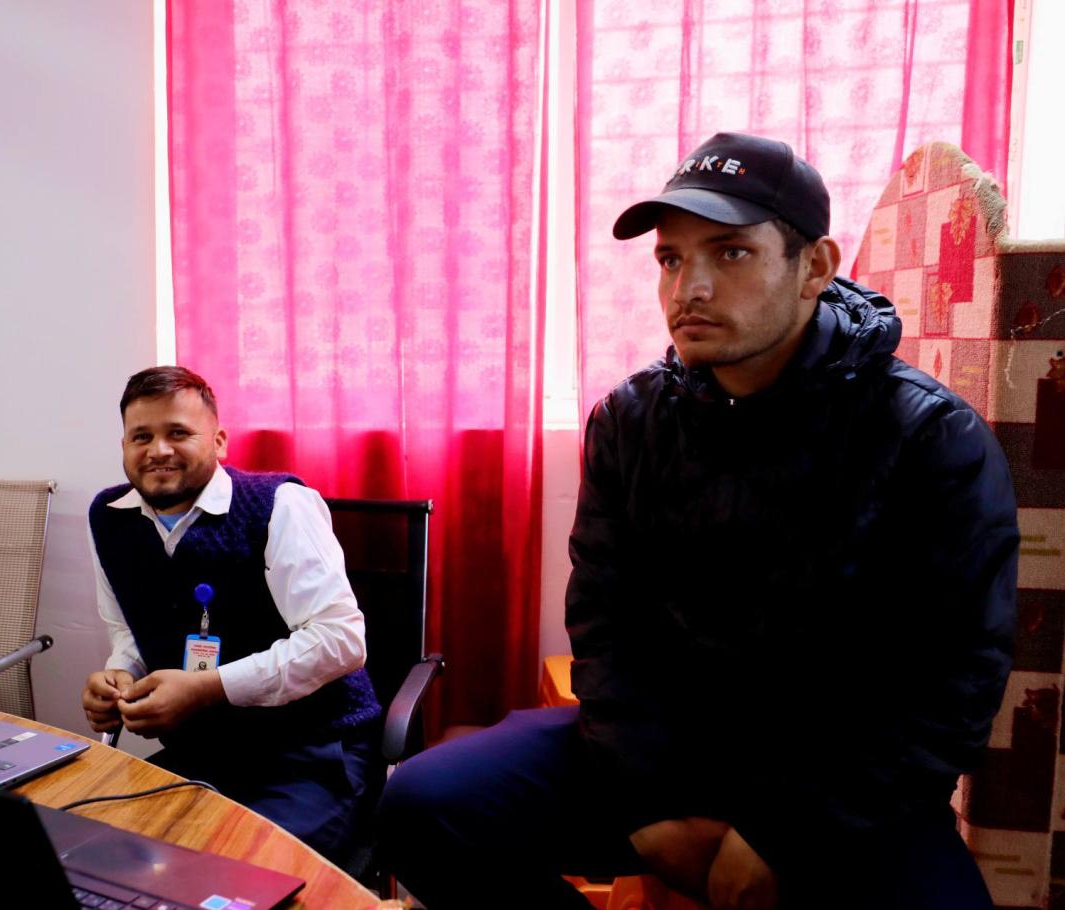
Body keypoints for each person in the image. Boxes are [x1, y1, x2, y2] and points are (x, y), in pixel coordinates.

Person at [377, 133, 1018, 909]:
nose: (691, 287)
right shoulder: (631, 419)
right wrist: (648, 805)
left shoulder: (927, 436)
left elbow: (950, 684)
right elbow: (606, 626)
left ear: (814, 266)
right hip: (670, 750)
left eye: (731, 253)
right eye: (670, 259)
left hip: (844, 773)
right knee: (423, 806)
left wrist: (783, 831)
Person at [81, 366, 381, 862]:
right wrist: (121, 674)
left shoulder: (278, 505)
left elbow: (340, 641)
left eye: (179, 432)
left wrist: (206, 688)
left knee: (232, 870)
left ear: (219, 441)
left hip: (313, 753)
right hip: (202, 752)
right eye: (142, 436)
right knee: (91, 849)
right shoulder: (109, 518)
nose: (158, 450)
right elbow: (129, 630)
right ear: (124, 445)